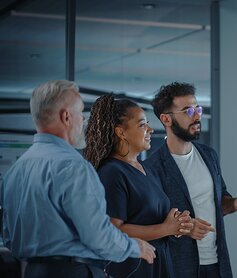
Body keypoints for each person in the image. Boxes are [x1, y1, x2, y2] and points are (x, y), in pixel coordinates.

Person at [0, 80, 156, 278]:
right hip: (74, 271)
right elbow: (97, 236)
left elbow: (8, 237)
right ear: (66, 117)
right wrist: (135, 247)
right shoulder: (73, 166)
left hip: (32, 271)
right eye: (80, 112)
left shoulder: (16, 170)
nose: (83, 121)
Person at [143, 82, 237, 278]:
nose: (197, 115)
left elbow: (218, 202)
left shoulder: (209, 155)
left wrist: (236, 203)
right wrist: (185, 227)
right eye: (188, 111)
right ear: (166, 119)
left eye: (197, 109)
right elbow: (154, 223)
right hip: (179, 267)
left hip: (217, 263)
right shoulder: (152, 168)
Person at [82, 95, 194, 277]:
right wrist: (166, 228)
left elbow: (150, 218)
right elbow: (113, 230)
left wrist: (178, 223)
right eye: (142, 125)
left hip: (159, 264)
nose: (150, 129)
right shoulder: (111, 173)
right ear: (121, 132)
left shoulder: (145, 169)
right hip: (133, 268)